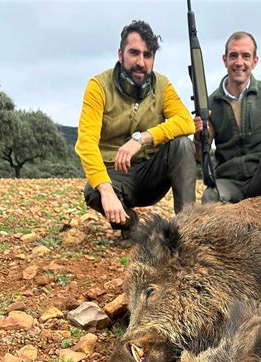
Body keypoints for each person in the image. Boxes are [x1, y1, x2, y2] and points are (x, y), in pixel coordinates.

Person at [75, 20, 197, 243]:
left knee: (182, 144)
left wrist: (142, 139)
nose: (141, 62)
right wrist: (107, 190)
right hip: (117, 177)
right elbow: (86, 143)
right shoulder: (98, 86)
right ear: (120, 55)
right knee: (93, 191)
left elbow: (185, 122)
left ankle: (186, 230)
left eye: (147, 55)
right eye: (134, 53)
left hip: (153, 172)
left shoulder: (163, 85)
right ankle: (129, 223)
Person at [195, 31, 261, 204]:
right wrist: (198, 136)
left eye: (245, 56)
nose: (239, 62)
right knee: (210, 196)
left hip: (260, 179)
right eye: (233, 56)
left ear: (254, 61)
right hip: (229, 183)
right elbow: (199, 153)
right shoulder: (210, 104)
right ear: (224, 59)